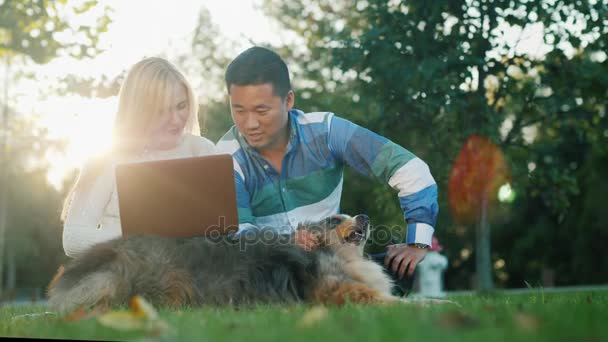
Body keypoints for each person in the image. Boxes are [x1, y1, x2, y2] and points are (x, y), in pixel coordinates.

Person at [216, 46, 439, 285]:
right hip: (271, 273)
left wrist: (418, 243)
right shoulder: (225, 157)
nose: (249, 124)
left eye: (262, 110)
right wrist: (285, 241)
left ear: (288, 100)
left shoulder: (328, 132)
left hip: (333, 264)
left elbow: (411, 170)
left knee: (399, 270)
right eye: (238, 110)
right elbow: (236, 236)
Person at [61, 57, 215, 258]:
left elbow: (222, 226)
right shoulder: (106, 159)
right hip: (126, 275)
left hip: (189, 275)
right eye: (162, 111)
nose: (176, 120)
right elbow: (74, 238)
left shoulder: (201, 150)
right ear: (138, 111)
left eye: (181, 105)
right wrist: (138, 239)